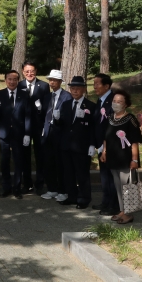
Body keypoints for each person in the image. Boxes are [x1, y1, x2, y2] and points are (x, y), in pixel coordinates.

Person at [101, 90, 142, 225]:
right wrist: (104, 151)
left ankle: (128, 213)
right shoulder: (110, 117)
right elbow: (106, 137)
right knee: (118, 186)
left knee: (127, 186)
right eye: (114, 101)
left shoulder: (130, 119)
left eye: (119, 102)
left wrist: (135, 160)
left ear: (125, 104)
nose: (116, 104)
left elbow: (134, 141)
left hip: (126, 159)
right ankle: (122, 209)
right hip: (113, 158)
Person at [55, 76, 96, 209]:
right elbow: (62, 125)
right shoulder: (66, 104)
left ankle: (84, 198)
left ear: (83, 90)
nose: (75, 91)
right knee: (68, 173)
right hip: (66, 144)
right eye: (72, 88)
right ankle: (72, 196)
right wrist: (57, 119)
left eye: (78, 88)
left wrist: (92, 144)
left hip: (82, 145)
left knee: (82, 174)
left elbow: (93, 127)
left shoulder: (90, 106)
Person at [0, 70, 32, 198]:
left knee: (18, 161)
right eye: (9, 79)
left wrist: (27, 133)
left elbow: (28, 116)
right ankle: (6, 187)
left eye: (15, 79)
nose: (12, 82)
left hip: (19, 134)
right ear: (5, 80)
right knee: (4, 161)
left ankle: (17, 188)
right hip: (4, 134)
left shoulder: (24, 95)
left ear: (18, 81)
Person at [18, 61, 49, 194]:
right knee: (25, 156)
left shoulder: (44, 85)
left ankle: (40, 183)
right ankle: (27, 183)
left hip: (38, 125)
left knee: (40, 155)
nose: (29, 73)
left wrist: (40, 109)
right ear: (23, 72)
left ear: (36, 71)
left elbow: (47, 107)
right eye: (27, 71)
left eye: (32, 71)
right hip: (23, 126)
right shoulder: (19, 85)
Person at [92, 73, 119, 216]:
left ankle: (114, 205)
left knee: (111, 176)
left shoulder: (113, 100)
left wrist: (106, 146)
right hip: (101, 145)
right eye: (94, 83)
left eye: (97, 83)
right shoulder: (100, 100)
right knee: (104, 175)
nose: (95, 86)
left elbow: (112, 126)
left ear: (107, 86)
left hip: (110, 145)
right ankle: (106, 201)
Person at [40, 70, 67, 201]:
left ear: (61, 82)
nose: (52, 82)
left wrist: (60, 118)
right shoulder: (47, 97)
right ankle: (52, 189)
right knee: (48, 162)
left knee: (60, 163)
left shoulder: (67, 96)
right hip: (47, 132)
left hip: (60, 133)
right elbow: (44, 115)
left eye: (55, 80)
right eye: (50, 80)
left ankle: (62, 190)